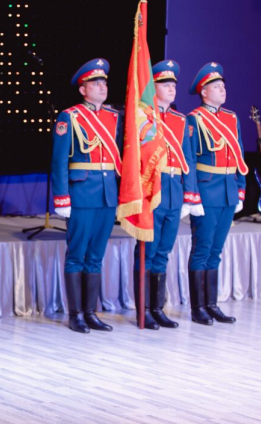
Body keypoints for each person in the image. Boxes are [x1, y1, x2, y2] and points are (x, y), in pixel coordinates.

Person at [51, 58, 123, 333]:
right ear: (83, 90)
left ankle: (90, 312)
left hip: (107, 194)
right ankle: (76, 315)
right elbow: (59, 160)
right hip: (81, 193)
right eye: (96, 83)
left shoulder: (113, 116)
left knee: (95, 255)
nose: (102, 87)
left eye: (104, 82)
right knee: (77, 255)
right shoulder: (69, 117)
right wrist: (61, 196)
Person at [132, 60, 202, 330]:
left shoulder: (180, 120)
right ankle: (144, 311)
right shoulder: (143, 118)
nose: (172, 89)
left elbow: (188, 160)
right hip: (152, 190)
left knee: (163, 252)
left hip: (173, 192)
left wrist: (189, 194)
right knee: (147, 253)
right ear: (154, 88)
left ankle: (157, 309)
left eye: (174, 85)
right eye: (165, 84)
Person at [186, 62, 248, 325]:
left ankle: (211, 305)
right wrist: (192, 195)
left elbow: (239, 156)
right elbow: (189, 161)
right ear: (204, 92)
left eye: (223, 85)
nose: (223, 89)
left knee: (216, 251)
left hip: (228, 191)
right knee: (201, 250)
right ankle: (198, 308)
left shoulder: (231, 118)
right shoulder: (194, 119)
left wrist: (241, 189)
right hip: (207, 191)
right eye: (216, 86)